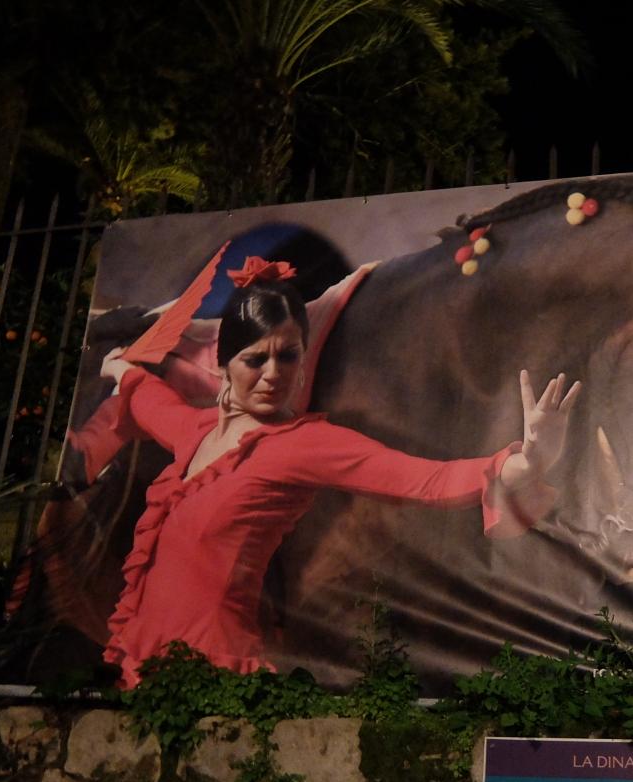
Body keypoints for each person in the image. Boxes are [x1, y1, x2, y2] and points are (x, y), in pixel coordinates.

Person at [98, 257, 580, 687]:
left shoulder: (305, 445)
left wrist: (529, 461)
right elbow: (150, 400)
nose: (273, 374)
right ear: (224, 365)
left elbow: (427, 480)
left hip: (213, 677)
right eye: (256, 359)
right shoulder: (194, 432)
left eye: (288, 355)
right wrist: (121, 369)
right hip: (142, 669)